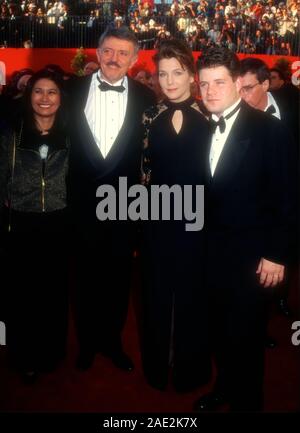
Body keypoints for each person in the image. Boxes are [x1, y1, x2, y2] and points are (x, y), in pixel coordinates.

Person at [193, 47, 297, 412]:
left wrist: (277, 254)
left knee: (247, 339)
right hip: (211, 254)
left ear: (238, 83)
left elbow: (288, 196)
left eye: (218, 82)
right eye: (203, 84)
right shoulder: (203, 126)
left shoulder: (269, 129)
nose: (209, 91)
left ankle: (247, 403)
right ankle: (224, 387)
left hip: (253, 258)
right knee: (219, 331)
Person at [67, 26, 156, 372]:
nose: (114, 59)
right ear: (97, 51)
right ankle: (87, 343)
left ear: (134, 59)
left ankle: (112, 341)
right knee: (84, 280)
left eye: (123, 53)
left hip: (124, 210)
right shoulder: (70, 92)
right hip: (80, 208)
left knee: (118, 282)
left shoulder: (148, 100)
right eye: (108, 51)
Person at [140, 39, 211, 392]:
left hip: (198, 225)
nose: (169, 81)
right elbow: (142, 172)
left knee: (193, 298)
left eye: (177, 73)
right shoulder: (149, 116)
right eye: (163, 74)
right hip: (157, 221)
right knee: (154, 295)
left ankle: (188, 370)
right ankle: (156, 366)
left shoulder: (209, 117)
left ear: (191, 75)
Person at [0, 69, 70, 383]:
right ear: (29, 96)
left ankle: (51, 352)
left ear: (60, 98)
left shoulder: (71, 134)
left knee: (53, 292)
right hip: (21, 223)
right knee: (21, 293)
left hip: (58, 222)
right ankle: (23, 354)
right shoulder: (11, 133)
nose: (44, 98)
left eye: (51, 92)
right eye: (38, 91)